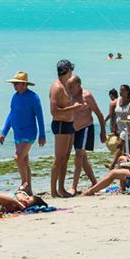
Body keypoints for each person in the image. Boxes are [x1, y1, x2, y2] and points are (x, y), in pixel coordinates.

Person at [81, 116, 130, 195]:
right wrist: (126, 158)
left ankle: (90, 192)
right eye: (126, 125)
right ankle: (122, 188)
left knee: (113, 173)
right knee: (121, 158)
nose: (127, 128)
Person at [0, 71, 46, 193]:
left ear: (25, 84)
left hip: (29, 132)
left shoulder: (33, 97)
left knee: (17, 157)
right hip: (17, 134)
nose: (15, 86)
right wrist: (4, 132)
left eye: (18, 83)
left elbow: (39, 116)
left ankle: (23, 183)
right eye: (14, 83)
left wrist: (42, 135)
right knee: (24, 161)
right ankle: (29, 190)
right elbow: (11, 114)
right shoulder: (15, 97)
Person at [49, 59, 84, 198]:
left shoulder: (66, 85)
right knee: (59, 159)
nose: (72, 73)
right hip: (60, 124)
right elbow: (54, 111)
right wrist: (73, 108)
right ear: (67, 70)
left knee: (66, 158)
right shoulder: (56, 87)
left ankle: (61, 188)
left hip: (69, 124)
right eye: (71, 70)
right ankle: (53, 191)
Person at [68, 74, 107, 194]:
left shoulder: (87, 96)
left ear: (78, 85)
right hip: (74, 129)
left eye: (71, 87)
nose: (69, 90)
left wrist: (103, 132)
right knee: (83, 158)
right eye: (67, 87)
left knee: (79, 156)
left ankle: (73, 186)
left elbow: (99, 114)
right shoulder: (69, 96)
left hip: (86, 127)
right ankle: (95, 183)